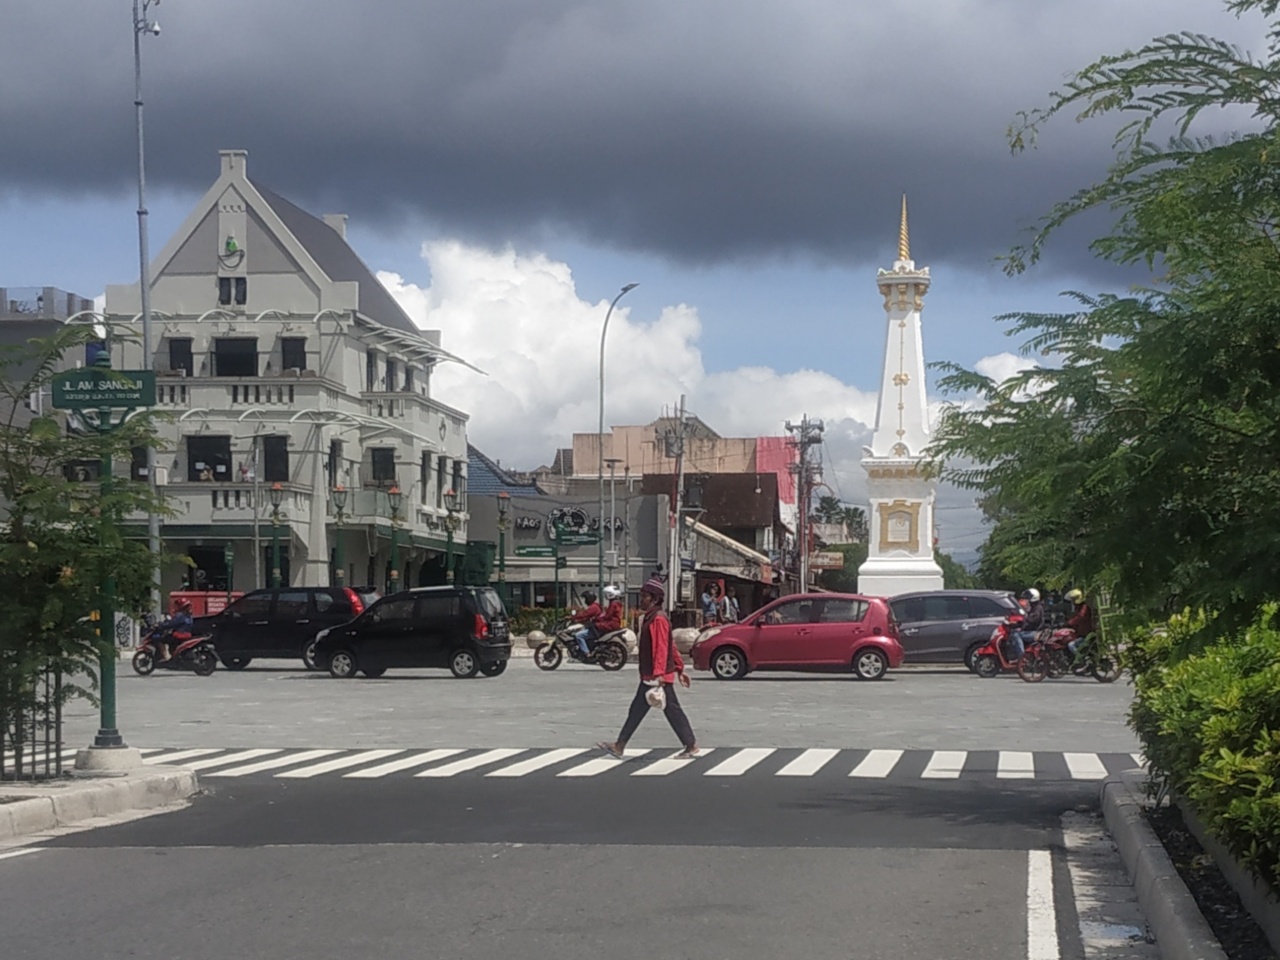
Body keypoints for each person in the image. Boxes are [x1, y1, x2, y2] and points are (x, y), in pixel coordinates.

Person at [597, 576, 700, 760]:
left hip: (657, 675)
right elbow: (670, 645)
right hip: (652, 674)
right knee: (641, 710)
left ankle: (690, 745)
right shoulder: (651, 617)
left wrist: (660, 673)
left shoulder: (658, 619)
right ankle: (620, 745)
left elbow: (662, 647)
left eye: (644, 596)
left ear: (654, 599)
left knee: (669, 710)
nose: (641, 600)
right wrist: (680, 668)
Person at [1010, 588, 1044, 662]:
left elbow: (1031, 620)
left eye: (1028, 596)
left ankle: (1020, 656)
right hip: (1033, 631)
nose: (1027, 599)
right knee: (1015, 632)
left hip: (1035, 633)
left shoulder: (1037, 608)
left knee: (1016, 635)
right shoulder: (1034, 607)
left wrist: (1022, 624)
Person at [1064, 588, 1097, 661]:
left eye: (1073, 599)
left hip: (1086, 634)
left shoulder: (1084, 607)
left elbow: (1080, 617)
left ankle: (1080, 659)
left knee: (1071, 645)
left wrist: (1070, 622)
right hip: (1081, 634)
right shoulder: (1078, 608)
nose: (1072, 601)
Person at [568, 590, 601, 656]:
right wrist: (578, 620)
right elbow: (586, 617)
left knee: (578, 635)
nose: (585, 601)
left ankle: (586, 653)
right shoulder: (594, 606)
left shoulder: (594, 607)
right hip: (593, 627)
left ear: (589, 599)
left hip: (595, 629)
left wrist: (572, 617)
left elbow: (585, 614)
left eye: (586, 598)